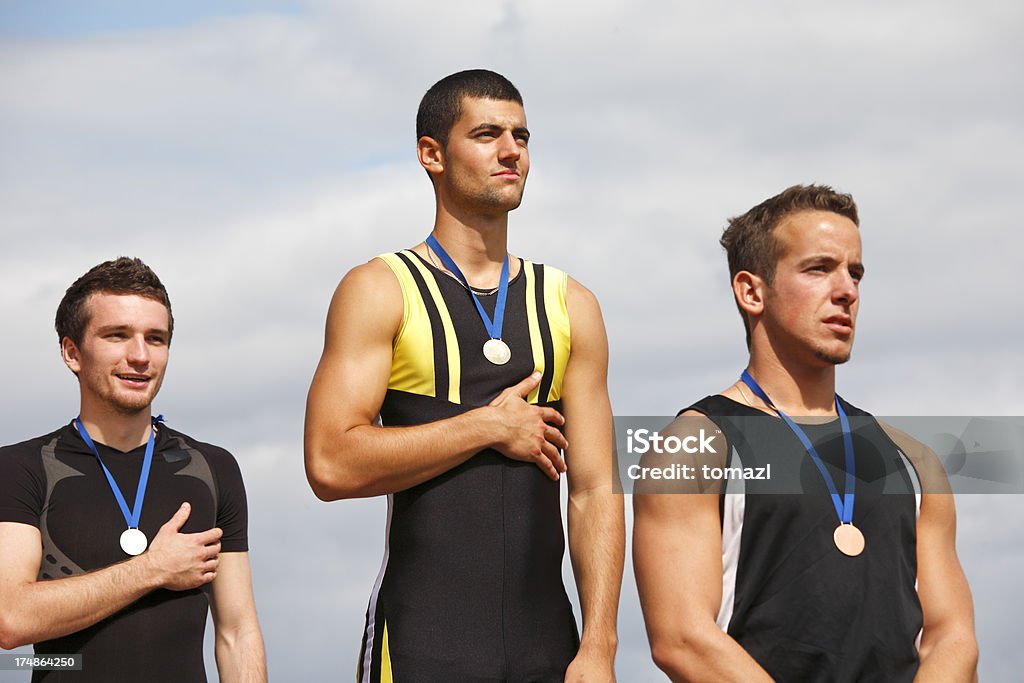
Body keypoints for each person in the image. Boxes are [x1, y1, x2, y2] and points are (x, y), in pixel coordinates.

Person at [305, 69, 623, 682]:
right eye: (486, 134)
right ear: (432, 155)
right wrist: (485, 427)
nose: (512, 151)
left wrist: (600, 646)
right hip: (423, 642)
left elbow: (594, 489)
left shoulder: (569, 302)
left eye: (521, 136)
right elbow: (329, 463)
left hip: (549, 649)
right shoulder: (379, 289)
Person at [633, 185, 978, 681]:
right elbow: (683, 639)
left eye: (854, 272)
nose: (847, 291)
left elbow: (952, 636)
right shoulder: (694, 448)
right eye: (819, 269)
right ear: (752, 291)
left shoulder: (913, 461)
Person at [0, 257, 266, 682]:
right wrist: (152, 569)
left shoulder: (213, 468)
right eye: (117, 335)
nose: (140, 356)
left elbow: (237, 633)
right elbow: (10, 620)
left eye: (155, 339)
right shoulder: (21, 467)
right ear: (72, 352)